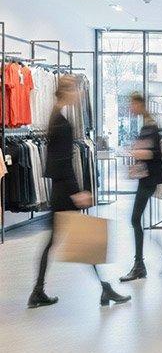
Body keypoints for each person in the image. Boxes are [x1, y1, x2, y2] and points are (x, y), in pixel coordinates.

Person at [28, 75, 131, 308]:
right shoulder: (62, 123)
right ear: (67, 91)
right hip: (65, 191)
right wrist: (77, 192)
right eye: (76, 90)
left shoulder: (56, 117)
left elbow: (55, 162)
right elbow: (61, 162)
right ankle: (105, 289)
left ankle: (38, 291)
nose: (80, 94)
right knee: (86, 239)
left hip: (60, 190)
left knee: (61, 241)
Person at [120, 93, 162, 282]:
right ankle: (148, 260)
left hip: (149, 180)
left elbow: (155, 153)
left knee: (135, 219)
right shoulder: (147, 125)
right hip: (146, 179)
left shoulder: (151, 126)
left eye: (132, 104)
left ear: (140, 104)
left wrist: (136, 152)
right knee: (136, 220)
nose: (130, 108)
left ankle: (139, 266)